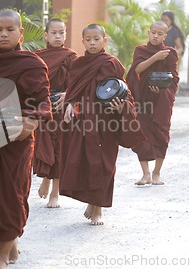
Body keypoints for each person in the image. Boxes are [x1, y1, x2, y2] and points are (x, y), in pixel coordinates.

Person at [0, 9, 52, 269]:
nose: (3, 35)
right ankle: (11, 242)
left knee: (11, 194)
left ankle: (2, 256)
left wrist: (32, 121)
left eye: (9, 30)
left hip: (17, 140)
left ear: (20, 33)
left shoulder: (32, 63)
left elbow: (42, 102)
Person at [59, 24, 145, 225]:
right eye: (88, 39)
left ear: (104, 41)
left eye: (96, 39)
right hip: (84, 122)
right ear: (82, 42)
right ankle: (92, 201)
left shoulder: (111, 63)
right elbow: (74, 90)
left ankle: (98, 208)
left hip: (107, 121)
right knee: (86, 163)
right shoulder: (79, 64)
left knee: (104, 165)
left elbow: (124, 91)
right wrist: (70, 104)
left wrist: (121, 106)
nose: (92, 43)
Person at [126, 21, 179, 186]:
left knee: (161, 136)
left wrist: (163, 92)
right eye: (153, 32)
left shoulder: (170, 53)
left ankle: (156, 173)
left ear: (165, 36)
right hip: (142, 99)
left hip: (161, 101)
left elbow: (174, 78)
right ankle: (145, 174)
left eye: (159, 34)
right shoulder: (140, 50)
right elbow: (137, 69)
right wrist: (155, 57)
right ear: (148, 33)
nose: (155, 36)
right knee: (141, 135)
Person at [33, 18, 77, 208]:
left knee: (59, 146)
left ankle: (55, 192)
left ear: (66, 35)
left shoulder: (70, 57)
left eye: (61, 33)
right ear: (46, 35)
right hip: (42, 105)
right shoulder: (37, 56)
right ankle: (45, 179)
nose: (58, 36)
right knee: (43, 145)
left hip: (61, 105)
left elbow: (78, 82)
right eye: (54, 33)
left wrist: (69, 95)